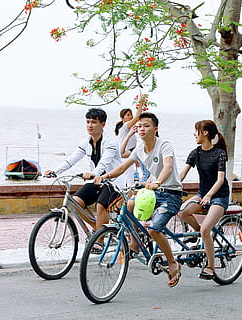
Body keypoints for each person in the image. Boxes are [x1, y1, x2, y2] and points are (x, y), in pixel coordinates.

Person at [95, 112, 184, 288]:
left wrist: (158, 181)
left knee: (154, 230)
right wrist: (103, 176)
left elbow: (167, 166)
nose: (141, 129)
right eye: (139, 126)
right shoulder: (139, 148)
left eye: (146, 126)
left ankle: (173, 262)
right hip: (152, 192)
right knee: (129, 205)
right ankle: (135, 244)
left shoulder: (164, 145)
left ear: (155, 129)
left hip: (171, 194)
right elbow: (122, 167)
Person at [44, 108, 126, 238]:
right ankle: (98, 227)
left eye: (93, 122)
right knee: (75, 202)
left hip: (114, 182)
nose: (89, 125)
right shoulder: (86, 142)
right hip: (97, 181)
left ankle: (99, 240)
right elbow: (72, 159)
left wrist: (93, 173)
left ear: (103, 124)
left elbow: (103, 163)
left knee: (101, 206)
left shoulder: (110, 143)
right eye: (87, 122)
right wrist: (55, 171)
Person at [178, 120, 230, 280]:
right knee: (182, 212)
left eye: (197, 131)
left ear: (205, 133)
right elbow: (182, 174)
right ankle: (197, 235)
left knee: (206, 229)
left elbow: (220, 179)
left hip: (219, 196)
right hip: (202, 194)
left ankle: (211, 267)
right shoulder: (195, 153)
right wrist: (170, 186)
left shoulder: (220, 153)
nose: (194, 134)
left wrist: (209, 196)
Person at [115, 94, 147, 186]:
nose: (130, 117)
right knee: (129, 179)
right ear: (122, 118)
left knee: (130, 177)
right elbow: (137, 117)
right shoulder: (125, 126)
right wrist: (141, 103)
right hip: (124, 154)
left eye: (131, 115)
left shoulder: (129, 128)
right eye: (128, 115)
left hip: (129, 153)